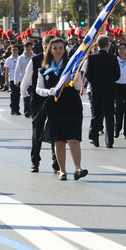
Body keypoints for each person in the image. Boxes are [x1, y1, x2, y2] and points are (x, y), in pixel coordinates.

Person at [35, 38, 87, 181]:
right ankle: (62, 171)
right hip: (55, 106)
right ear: (50, 50)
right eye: (55, 48)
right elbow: (38, 89)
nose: (58, 51)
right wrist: (49, 92)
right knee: (59, 140)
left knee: (73, 138)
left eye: (61, 48)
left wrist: (76, 79)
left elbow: (78, 88)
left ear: (65, 50)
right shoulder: (43, 70)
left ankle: (78, 168)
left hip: (72, 105)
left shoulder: (71, 67)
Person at [20, 34, 58, 173]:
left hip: (53, 100)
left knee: (54, 132)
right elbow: (26, 80)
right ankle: (35, 161)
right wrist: (24, 97)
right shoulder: (35, 60)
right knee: (37, 132)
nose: (47, 49)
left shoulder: (57, 60)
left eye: (49, 47)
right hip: (37, 100)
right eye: (45, 46)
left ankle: (56, 161)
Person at [86, 35, 121, 148]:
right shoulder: (113, 58)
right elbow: (117, 75)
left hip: (96, 90)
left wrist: (95, 83)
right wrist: (109, 82)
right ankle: (109, 141)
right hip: (109, 90)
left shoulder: (91, 57)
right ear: (108, 45)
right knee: (109, 116)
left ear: (97, 45)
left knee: (96, 115)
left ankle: (95, 139)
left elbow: (88, 75)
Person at [14, 41, 35, 117]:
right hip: (24, 80)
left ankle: (32, 110)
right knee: (25, 96)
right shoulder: (21, 58)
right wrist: (16, 80)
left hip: (33, 80)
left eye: (29, 47)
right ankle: (27, 111)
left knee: (32, 96)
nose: (28, 49)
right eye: (26, 47)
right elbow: (17, 69)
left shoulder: (35, 57)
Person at [5, 45, 21, 115]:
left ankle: (17, 109)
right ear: (11, 51)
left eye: (16, 50)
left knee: (18, 94)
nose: (15, 51)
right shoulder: (8, 59)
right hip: (12, 78)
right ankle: (12, 108)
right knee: (13, 94)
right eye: (13, 50)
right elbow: (6, 71)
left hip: (19, 78)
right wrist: (6, 81)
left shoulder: (20, 58)